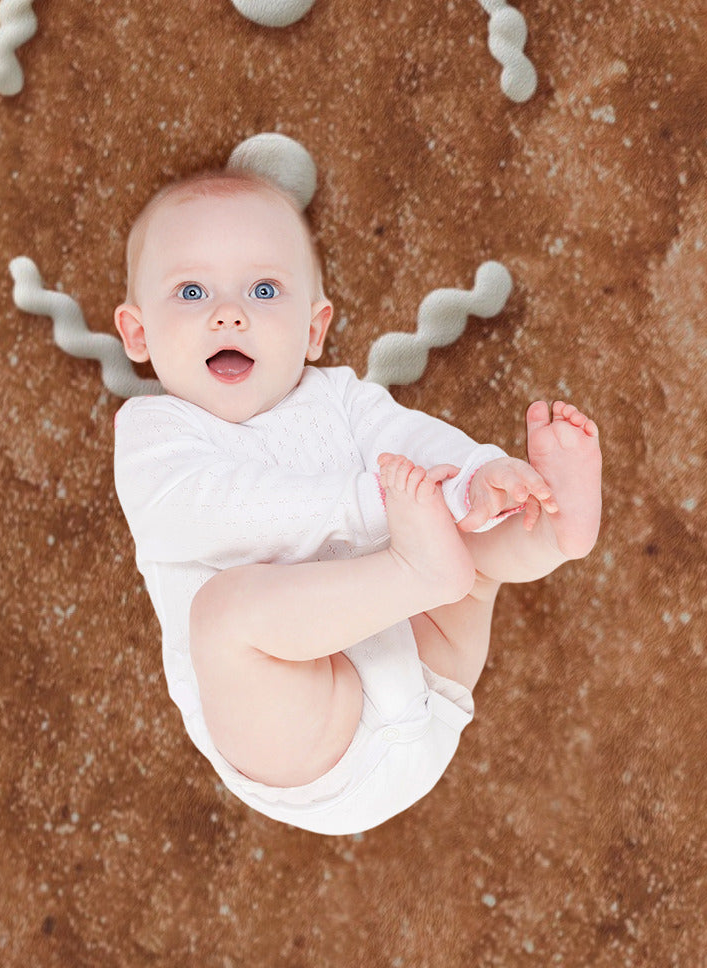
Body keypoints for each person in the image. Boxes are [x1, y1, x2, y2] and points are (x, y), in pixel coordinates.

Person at [112, 169, 602, 835]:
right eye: (191, 291)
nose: (229, 314)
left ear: (314, 330)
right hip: (310, 740)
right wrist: (372, 502)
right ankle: (423, 569)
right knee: (224, 615)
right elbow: (212, 512)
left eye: (263, 289)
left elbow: (411, 440)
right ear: (137, 335)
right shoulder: (156, 435)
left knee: (470, 540)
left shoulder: (339, 397)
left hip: (429, 670)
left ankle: (547, 530)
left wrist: (477, 476)